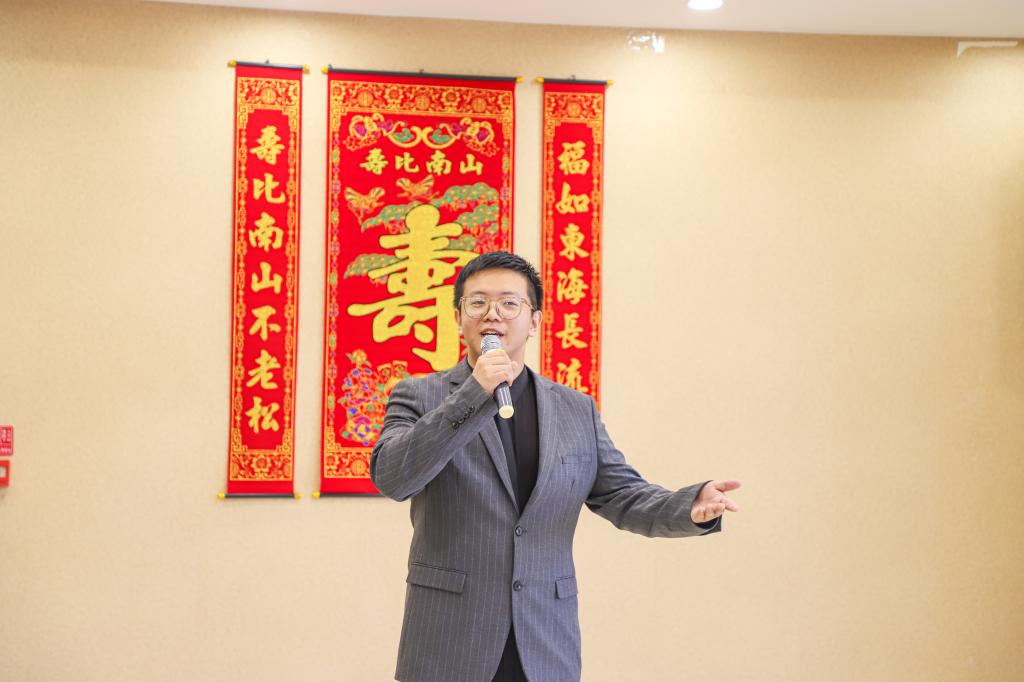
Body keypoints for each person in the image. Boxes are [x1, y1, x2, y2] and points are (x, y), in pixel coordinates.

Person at [371, 251, 741, 682]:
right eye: (478, 302)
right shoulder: (418, 396)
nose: (493, 314)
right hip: (450, 641)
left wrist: (687, 506)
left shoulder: (574, 409)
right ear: (458, 318)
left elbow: (622, 494)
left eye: (509, 303)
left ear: (534, 322)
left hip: (545, 642)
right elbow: (393, 476)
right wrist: (474, 393)